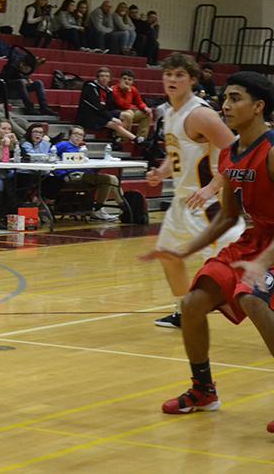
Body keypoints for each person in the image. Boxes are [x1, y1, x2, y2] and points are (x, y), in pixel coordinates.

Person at [140, 71, 274, 434]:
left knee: (251, 298)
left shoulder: (272, 151)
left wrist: (261, 262)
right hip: (255, 237)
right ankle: (204, 390)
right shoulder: (231, 153)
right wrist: (183, 251)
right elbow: (228, 216)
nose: (226, 105)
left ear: (258, 106)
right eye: (225, 98)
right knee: (193, 303)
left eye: (235, 99)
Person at [143, 53, 246, 329]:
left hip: (209, 205)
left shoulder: (200, 114)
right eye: (169, 74)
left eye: (179, 75)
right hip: (183, 202)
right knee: (168, 255)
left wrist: (214, 186)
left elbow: (237, 152)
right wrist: (161, 172)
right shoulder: (169, 111)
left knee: (241, 269)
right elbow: (178, 151)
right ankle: (184, 310)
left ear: (191, 80)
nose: (172, 79)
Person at [54, 125, 125, 221]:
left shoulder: (82, 149)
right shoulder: (62, 145)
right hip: (71, 175)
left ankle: (97, 210)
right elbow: (51, 157)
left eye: (81, 135)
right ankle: (123, 205)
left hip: (83, 175)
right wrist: (61, 173)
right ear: (70, 135)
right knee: (110, 179)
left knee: (108, 181)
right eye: (76, 134)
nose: (78, 137)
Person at [77, 67, 143, 143]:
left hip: (102, 114)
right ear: (97, 78)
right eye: (102, 76)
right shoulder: (90, 86)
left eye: (107, 76)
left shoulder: (108, 90)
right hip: (91, 115)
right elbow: (96, 106)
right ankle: (130, 139)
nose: (104, 78)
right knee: (114, 124)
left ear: (110, 79)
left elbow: (111, 107)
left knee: (127, 115)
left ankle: (123, 139)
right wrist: (111, 118)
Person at [112, 69, 153, 139]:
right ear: (120, 80)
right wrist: (128, 91)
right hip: (117, 112)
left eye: (129, 79)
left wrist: (145, 108)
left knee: (147, 114)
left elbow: (139, 102)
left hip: (128, 111)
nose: (126, 81)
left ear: (132, 82)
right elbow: (123, 105)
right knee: (129, 114)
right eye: (124, 79)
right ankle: (124, 138)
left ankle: (141, 138)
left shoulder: (133, 89)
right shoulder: (114, 89)